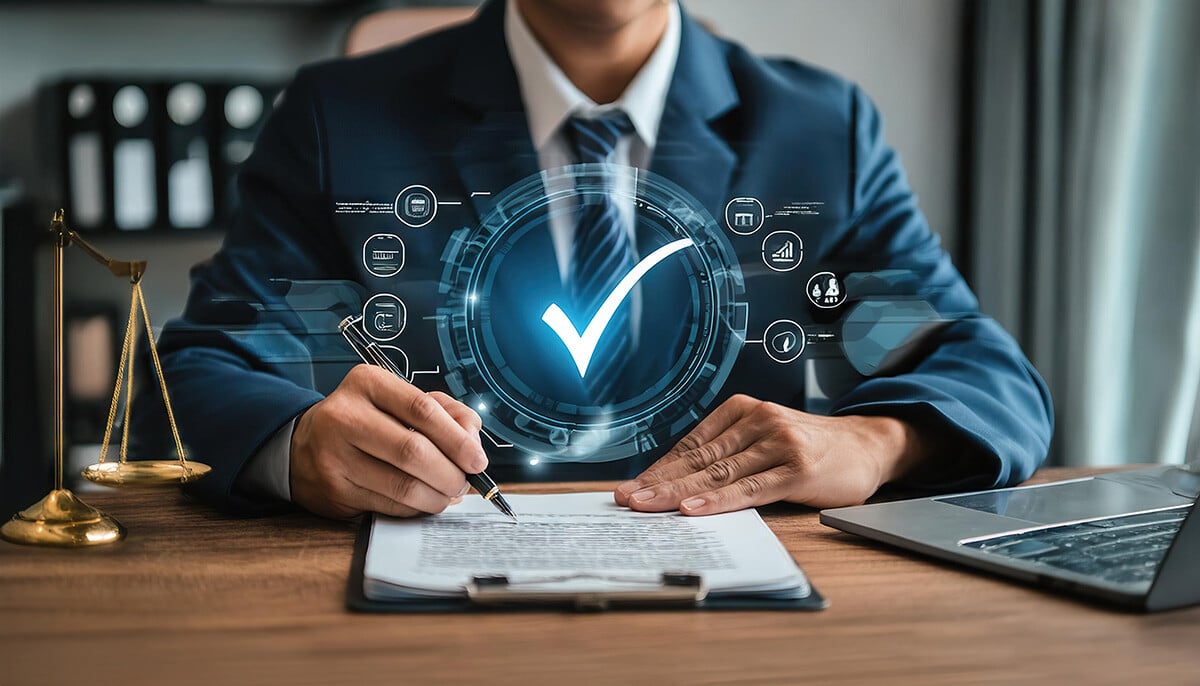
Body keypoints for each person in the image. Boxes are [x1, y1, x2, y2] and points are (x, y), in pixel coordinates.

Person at [135, 0, 1053, 519]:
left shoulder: (817, 135)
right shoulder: (346, 120)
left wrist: (875, 440)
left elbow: (977, 370)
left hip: (746, 628)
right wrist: (296, 445)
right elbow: (200, 373)